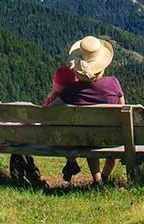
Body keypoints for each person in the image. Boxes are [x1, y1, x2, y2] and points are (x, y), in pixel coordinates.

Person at [59, 36, 125, 185]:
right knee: (110, 135)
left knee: (89, 136)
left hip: (85, 139)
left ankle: (97, 180)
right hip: (112, 138)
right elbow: (123, 109)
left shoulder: (70, 91)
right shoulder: (113, 83)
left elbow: (51, 109)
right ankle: (105, 178)